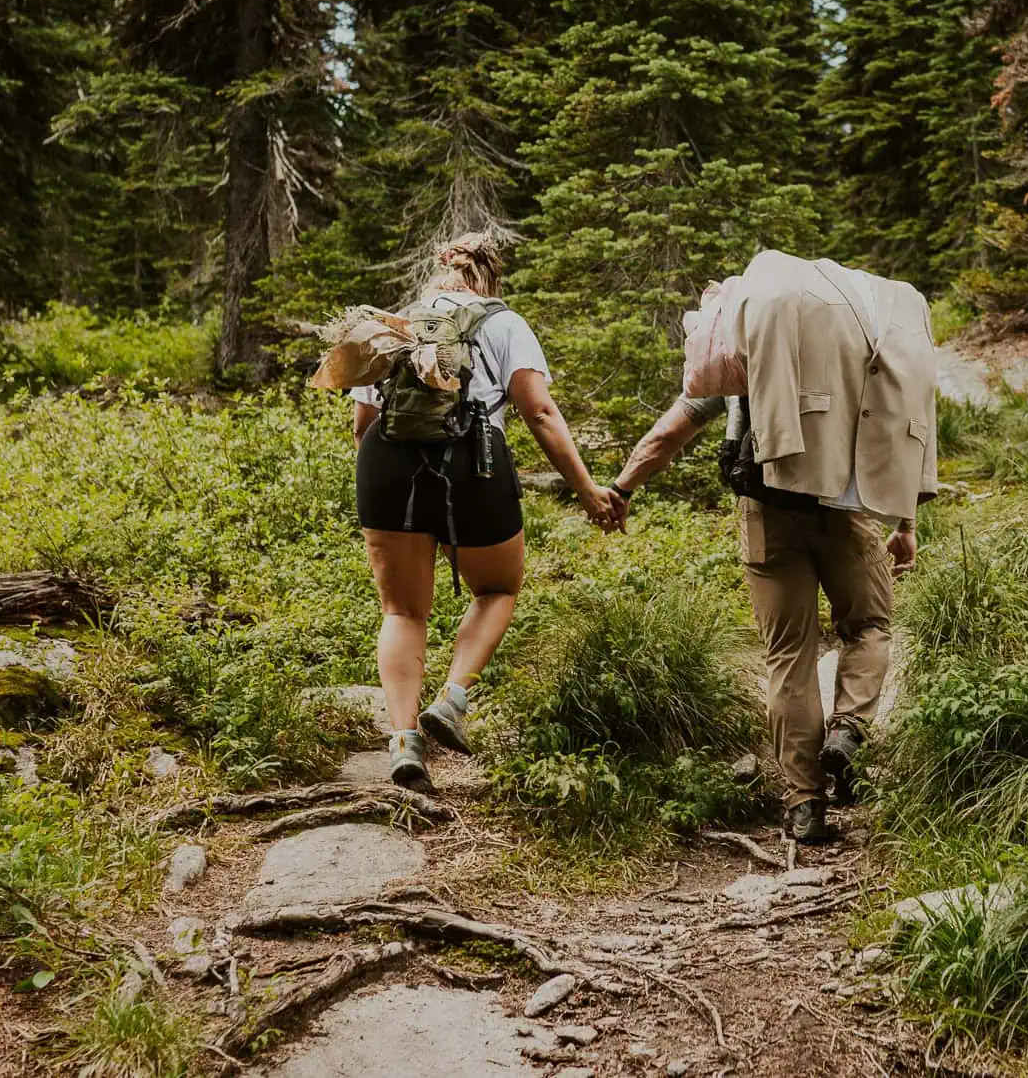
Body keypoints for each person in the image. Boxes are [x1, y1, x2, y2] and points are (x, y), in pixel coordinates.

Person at [608, 252, 937, 844]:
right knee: (868, 627)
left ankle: (804, 804)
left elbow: (670, 432)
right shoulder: (852, 349)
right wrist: (905, 519)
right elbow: (893, 425)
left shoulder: (740, 358)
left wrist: (621, 487)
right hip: (846, 508)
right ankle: (849, 733)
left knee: (790, 655)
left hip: (767, 510)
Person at [350, 233, 621, 794]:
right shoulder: (503, 323)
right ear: (490, 277)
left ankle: (403, 740)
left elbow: (361, 425)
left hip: (386, 462)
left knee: (401, 611)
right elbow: (540, 412)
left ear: (438, 273)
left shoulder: (392, 324)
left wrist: (392, 484)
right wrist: (587, 490)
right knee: (497, 587)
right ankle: (451, 700)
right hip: (475, 462)